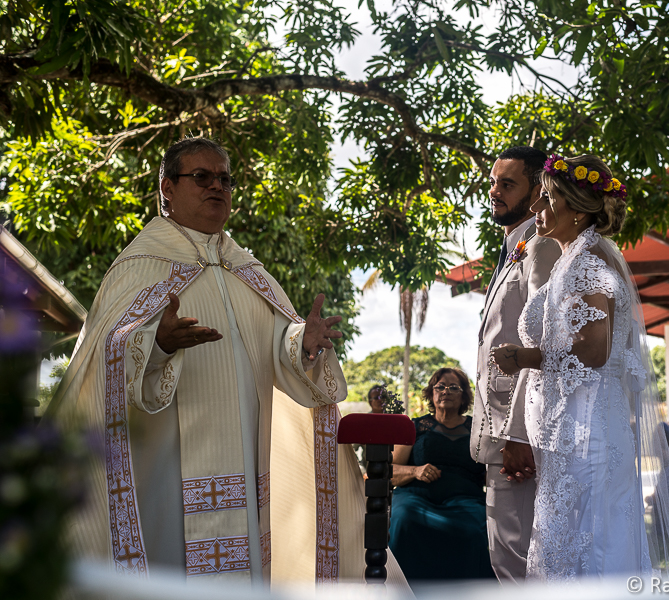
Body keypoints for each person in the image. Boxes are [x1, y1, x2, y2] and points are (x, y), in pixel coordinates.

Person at [43, 137, 374, 584]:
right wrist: (155, 343)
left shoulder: (247, 270)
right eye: (201, 176)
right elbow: (104, 358)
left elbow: (279, 350)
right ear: (167, 188)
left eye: (224, 179)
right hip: (167, 467)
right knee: (173, 569)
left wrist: (303, 343)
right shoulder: (139, 265)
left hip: (246, 463)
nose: (216, 187)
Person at [491, 154, 669, 581]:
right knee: (568, 546)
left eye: (547, 199)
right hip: (565, 435)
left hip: (585, 437)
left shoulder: (588, 266)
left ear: (579, 210)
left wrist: (525, 358)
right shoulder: (569, 263)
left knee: (594, 546)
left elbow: (593, 349)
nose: (536, 209)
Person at [470, 146, 562, 583]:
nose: (494, 192)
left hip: (518, 432)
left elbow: (540, 343)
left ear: (535, 191)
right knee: (505, 553)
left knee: (517, 556)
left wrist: (519, 435)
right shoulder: (514, 246)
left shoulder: (541, 248)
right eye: (493, 182)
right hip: (499, 426)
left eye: (507, 184)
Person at [389, 368, 494, 585]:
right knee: (404, 517)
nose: (446, 391)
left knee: (475, 529)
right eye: (440, 387)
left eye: (453, 387)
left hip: (466, 500)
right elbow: (389, 471)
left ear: (464, 395)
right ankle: (402, 591)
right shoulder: (414, 427)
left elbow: (490, 475)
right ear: (431, 393)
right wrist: (414, 471)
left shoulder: (478, 430)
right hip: (415, 497)